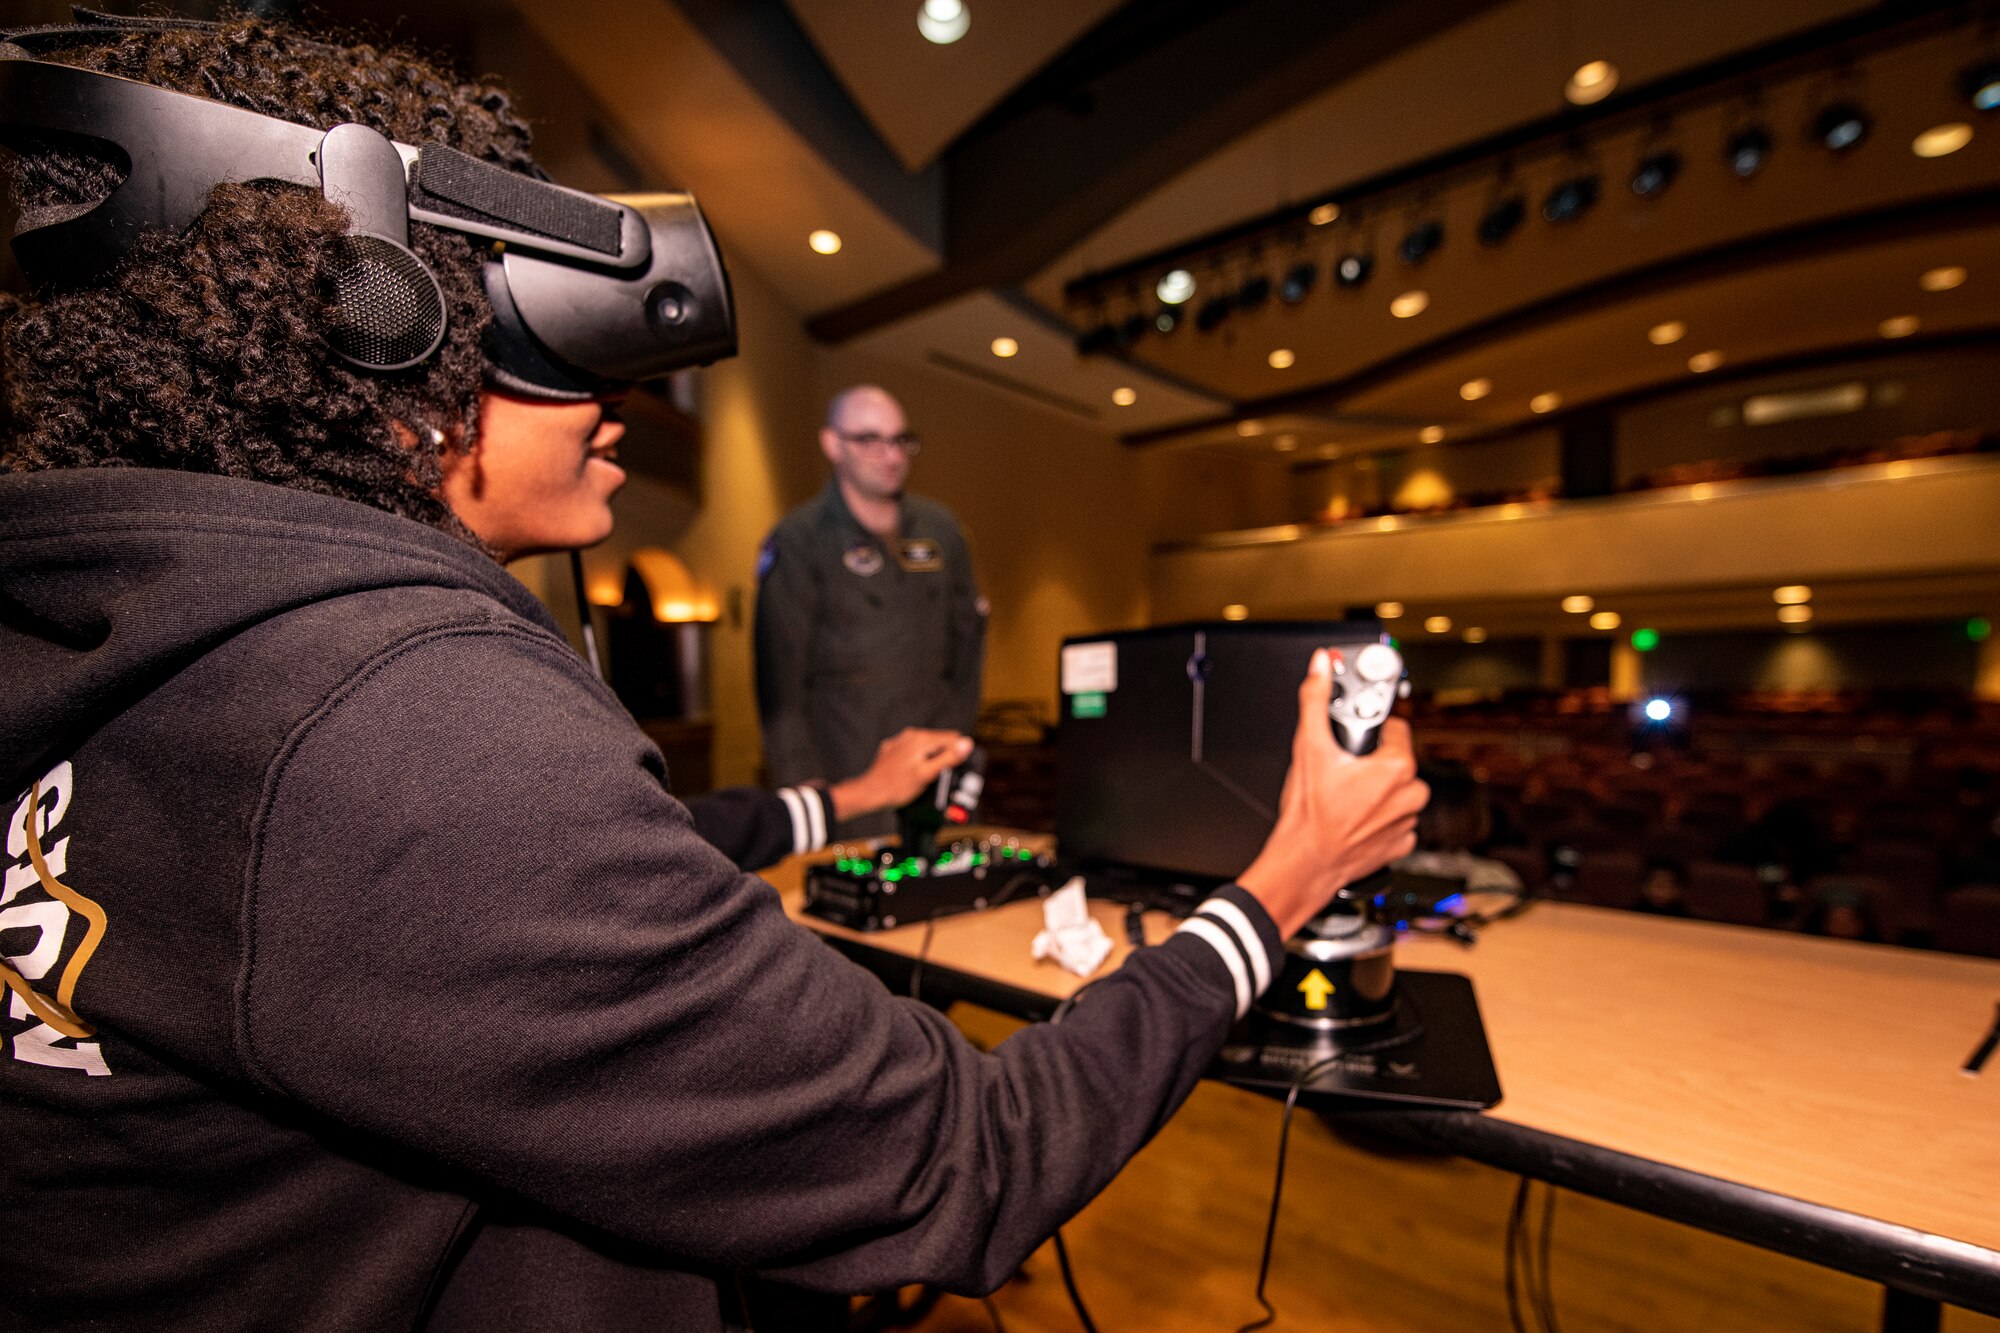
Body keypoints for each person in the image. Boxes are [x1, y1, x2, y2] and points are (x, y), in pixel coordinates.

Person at [0, 16, 1428, 1333]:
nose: (616, 403)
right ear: (376, 324)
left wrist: (833, 802)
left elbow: (536, 888)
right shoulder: (406, 720)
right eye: (523, 317)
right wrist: (1287, 878)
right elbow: (967, 1159)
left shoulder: (149, 645)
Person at [755, 385, 986, 836]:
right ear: (833, 444)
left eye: (900, 440)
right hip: (849, 783)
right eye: (870, 440)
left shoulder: (942, 531)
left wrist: (954, 746)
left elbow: (967, 655)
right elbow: (780, 685)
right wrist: (809, 794)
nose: (892, 455)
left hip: (936, 780)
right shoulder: (801, 540)